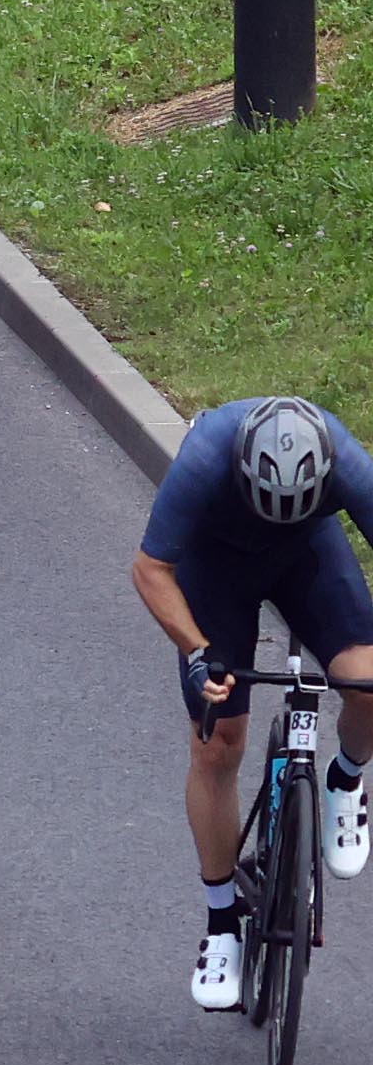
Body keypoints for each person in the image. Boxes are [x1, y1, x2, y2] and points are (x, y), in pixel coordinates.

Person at [131, 394, 373, 1012]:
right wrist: (195, 651)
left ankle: (346, 778)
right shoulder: (207, 453)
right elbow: (151, 568)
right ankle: (220, 924)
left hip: (307, 558)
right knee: (219, 741)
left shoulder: (346, 458)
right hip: (217, 570)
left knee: (367, 679)